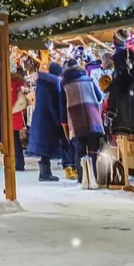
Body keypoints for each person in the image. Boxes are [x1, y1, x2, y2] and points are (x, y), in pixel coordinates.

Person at [59, 59, 106, 187]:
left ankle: (83, 178)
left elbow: (62, 106)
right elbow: (99, 97)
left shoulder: (64, 84)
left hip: (75, 120)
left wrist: (64, 124)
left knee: (79, 150)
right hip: (93, 118)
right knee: (93, 149)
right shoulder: (88, 80)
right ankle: (94, 177)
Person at [27, 62, 65, 182]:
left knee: (44, 148)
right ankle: (45, 174)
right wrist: (58, 121)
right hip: (48, 119)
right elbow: (52, 104)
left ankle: (45, 173)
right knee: (47, 147)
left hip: (40, 116)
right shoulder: (53, 84)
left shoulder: (42, 82)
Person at [9, 70, 29, 172]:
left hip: (10, 115)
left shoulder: (7, 83)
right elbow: (22, 101)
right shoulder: (16, 83)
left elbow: (22, 101)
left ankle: (18, 163)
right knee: (15, 140)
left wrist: (10, 111)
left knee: (13, 141)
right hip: (15, 115)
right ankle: (19, 163)